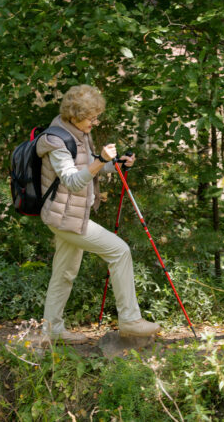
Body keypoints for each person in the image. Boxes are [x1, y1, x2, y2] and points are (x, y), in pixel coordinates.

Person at [37, 84, 160, 344]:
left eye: (96, 116)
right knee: (120, 250)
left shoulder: (78, 133)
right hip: (65, 217)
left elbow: (89, 166)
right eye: (92, 117)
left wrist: (115, 165)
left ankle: (52, 331)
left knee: (63, 273)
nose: (96, 121)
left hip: (71, 215)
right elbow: (72, 180)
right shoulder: (56, 141)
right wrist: (100, 161)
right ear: (75, 115)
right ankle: (129, 319)